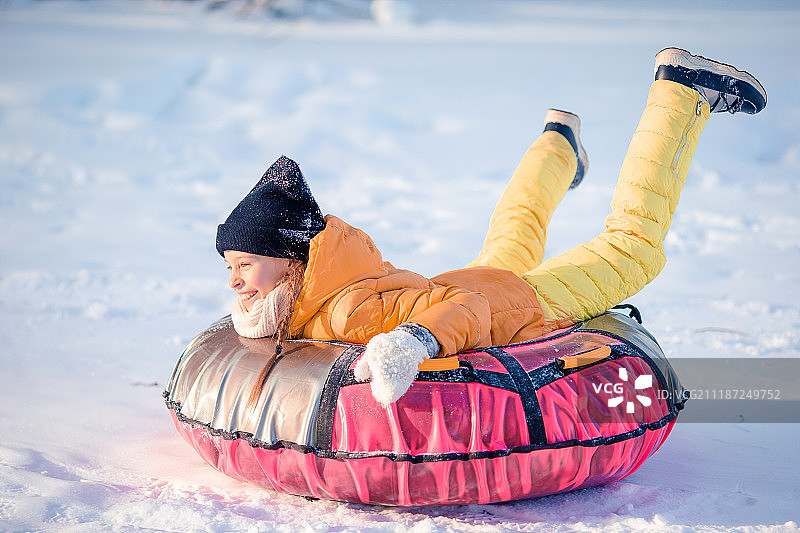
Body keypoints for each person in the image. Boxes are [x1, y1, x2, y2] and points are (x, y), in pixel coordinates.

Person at [217, 47, 767, 407]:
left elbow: (468, 310)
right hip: (480, 281)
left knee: (632, 243)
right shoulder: (321, 292)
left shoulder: (346, 309)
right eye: (230, 267)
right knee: (515, 233)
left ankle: (682, 93)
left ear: (291, 259)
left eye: (246, 264)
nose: (236, 280)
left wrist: (413, 340)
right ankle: (557, 144)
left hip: (522, 302)